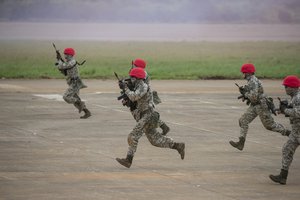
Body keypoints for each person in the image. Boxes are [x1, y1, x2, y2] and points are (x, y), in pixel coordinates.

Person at [116, 67, 185, 168]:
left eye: (132, 77)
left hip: (148, 115)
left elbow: (134, 96)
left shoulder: (143, 86)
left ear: (137, 78)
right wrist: (124, 89)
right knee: (155, 140)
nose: (130, 79)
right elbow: (132, 97)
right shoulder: (137, 86)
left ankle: (128, 160)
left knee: (133, 136)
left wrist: (125, 88)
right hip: (145, 115)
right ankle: (178, 146)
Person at [229, 63, 290, 150]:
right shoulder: (251, 81)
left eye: (244, 72)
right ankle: (241, 143)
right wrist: (244, 89)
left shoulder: (253, 81)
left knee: (269, 125)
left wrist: (245, 94)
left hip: (261, 105)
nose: (242, 74)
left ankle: (289, 133)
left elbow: (253, 97)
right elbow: (251, 90)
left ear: (248, 73)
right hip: (255, 105)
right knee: (243, 120)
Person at [269, 75, 300, 185]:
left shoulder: (298, 97)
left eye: (286, 86)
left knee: (287, 149)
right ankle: (283, 176)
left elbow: (298, 113)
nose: (285, 89)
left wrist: (285, 110)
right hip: (296, 132)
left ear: (292, 87)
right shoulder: (294, 97)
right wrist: (281, 110)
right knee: (287, 149)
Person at [131, 58, 170, 135]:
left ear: (137, 66)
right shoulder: (140, 72)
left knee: (146, 114)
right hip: (144, 95)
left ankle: (161, 127)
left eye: (134, 65)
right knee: (149, 114)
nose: (133, 66)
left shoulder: (142, 74)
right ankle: (164, 127)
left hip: (145, 97)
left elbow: (138, 84)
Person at [55, 47, 91, 119]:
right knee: (74, 99)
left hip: (75, 83)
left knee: (66, 97)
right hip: (72, 83)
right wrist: (59, 60)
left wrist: (59, 60)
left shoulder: (72, 62)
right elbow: (64, 71)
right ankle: (87, 112)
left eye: (67, 55)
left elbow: (61, 67)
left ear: (71, 55)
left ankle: (81, 103)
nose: (65, 56)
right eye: (65, 55)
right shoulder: (68, 62)